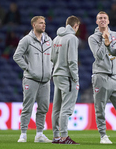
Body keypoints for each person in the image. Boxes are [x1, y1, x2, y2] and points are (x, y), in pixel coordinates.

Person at [88, 11, 116, 144]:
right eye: (100, 18)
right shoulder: (93, 38)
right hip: (101, 77)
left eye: (104, 18)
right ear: (96, 21)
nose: (102, 20)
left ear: (108, 21)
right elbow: (99, 55)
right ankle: (103, 136)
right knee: (100, 109)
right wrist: (104, 40)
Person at [13, 16, 52, 143]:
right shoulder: (26, 40)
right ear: (34, 25)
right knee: (27, 107)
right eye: (41, 23)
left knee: (43, 108)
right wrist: (28, 69)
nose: (44, 25)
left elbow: (53, 58)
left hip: (45, 81)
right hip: (31, 79)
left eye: (44, 23)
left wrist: (50, 70)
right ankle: (23, 134)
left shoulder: (49, 40)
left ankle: (39, 134)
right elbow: (17, 56)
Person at [51, 15, 80, 144]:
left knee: (56, 107)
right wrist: (75, 78)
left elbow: (51, 58)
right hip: (67, 76)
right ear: (76, 26)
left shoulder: (56, 38)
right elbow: (72, 61)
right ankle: (64, 137)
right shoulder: (72, 38)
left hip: (56, 74)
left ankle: (56, 136)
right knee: (65, 108)